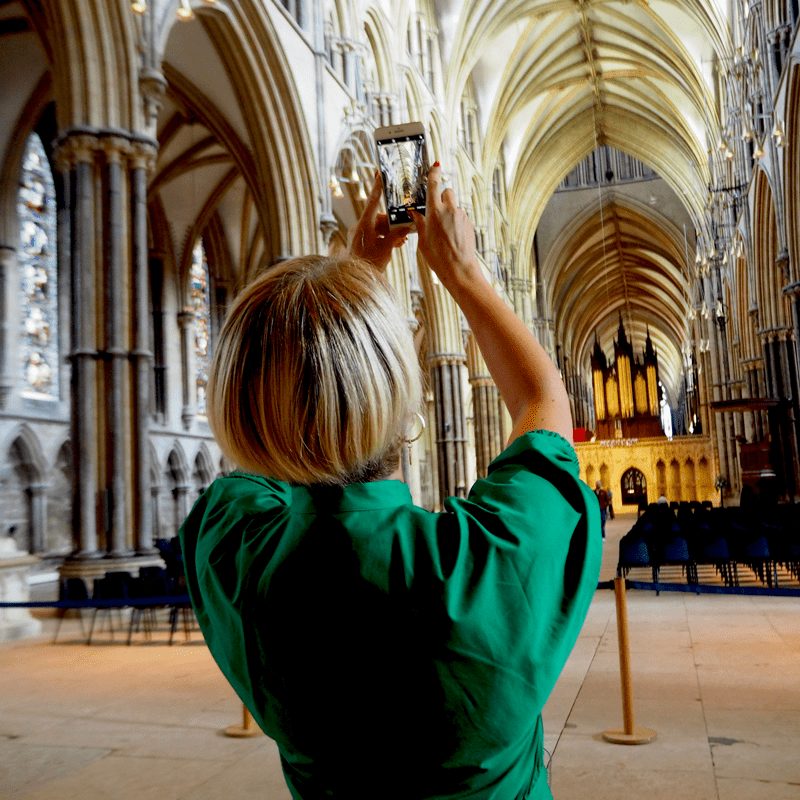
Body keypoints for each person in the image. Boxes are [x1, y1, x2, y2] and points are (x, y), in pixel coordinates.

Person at [180, 164, 601, 800]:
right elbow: (544, 405)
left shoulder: (232, 554)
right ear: (403, 398)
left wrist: (354, 281)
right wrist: (462, 273)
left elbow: (269, 454)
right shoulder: (483, 567)